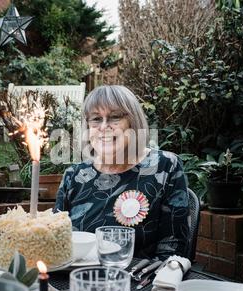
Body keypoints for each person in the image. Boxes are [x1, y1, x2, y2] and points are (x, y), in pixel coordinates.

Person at [54, 85, 189, 260]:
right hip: (76, 278)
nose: (104, 127)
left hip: (139, 281)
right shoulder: (74, 175)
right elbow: (57, 242)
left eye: (115, 117)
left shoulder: (164, 167)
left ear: (133, 122)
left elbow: (173, 250)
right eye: (96, 119)